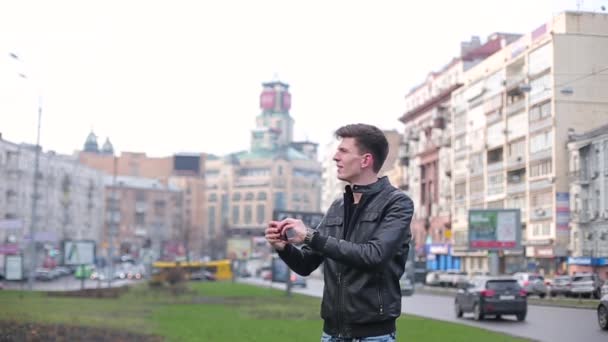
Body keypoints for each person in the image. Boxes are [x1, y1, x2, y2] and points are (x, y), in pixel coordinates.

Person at [265, 123, 414, 342]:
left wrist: (309, 236)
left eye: (343, 151)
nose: (335, 157)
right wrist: (284, 248)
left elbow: (374, 256)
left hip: (373, 335)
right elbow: (306, 264)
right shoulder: (337, 207)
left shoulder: (397, 203)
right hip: (332, 333)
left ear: (365, 160)